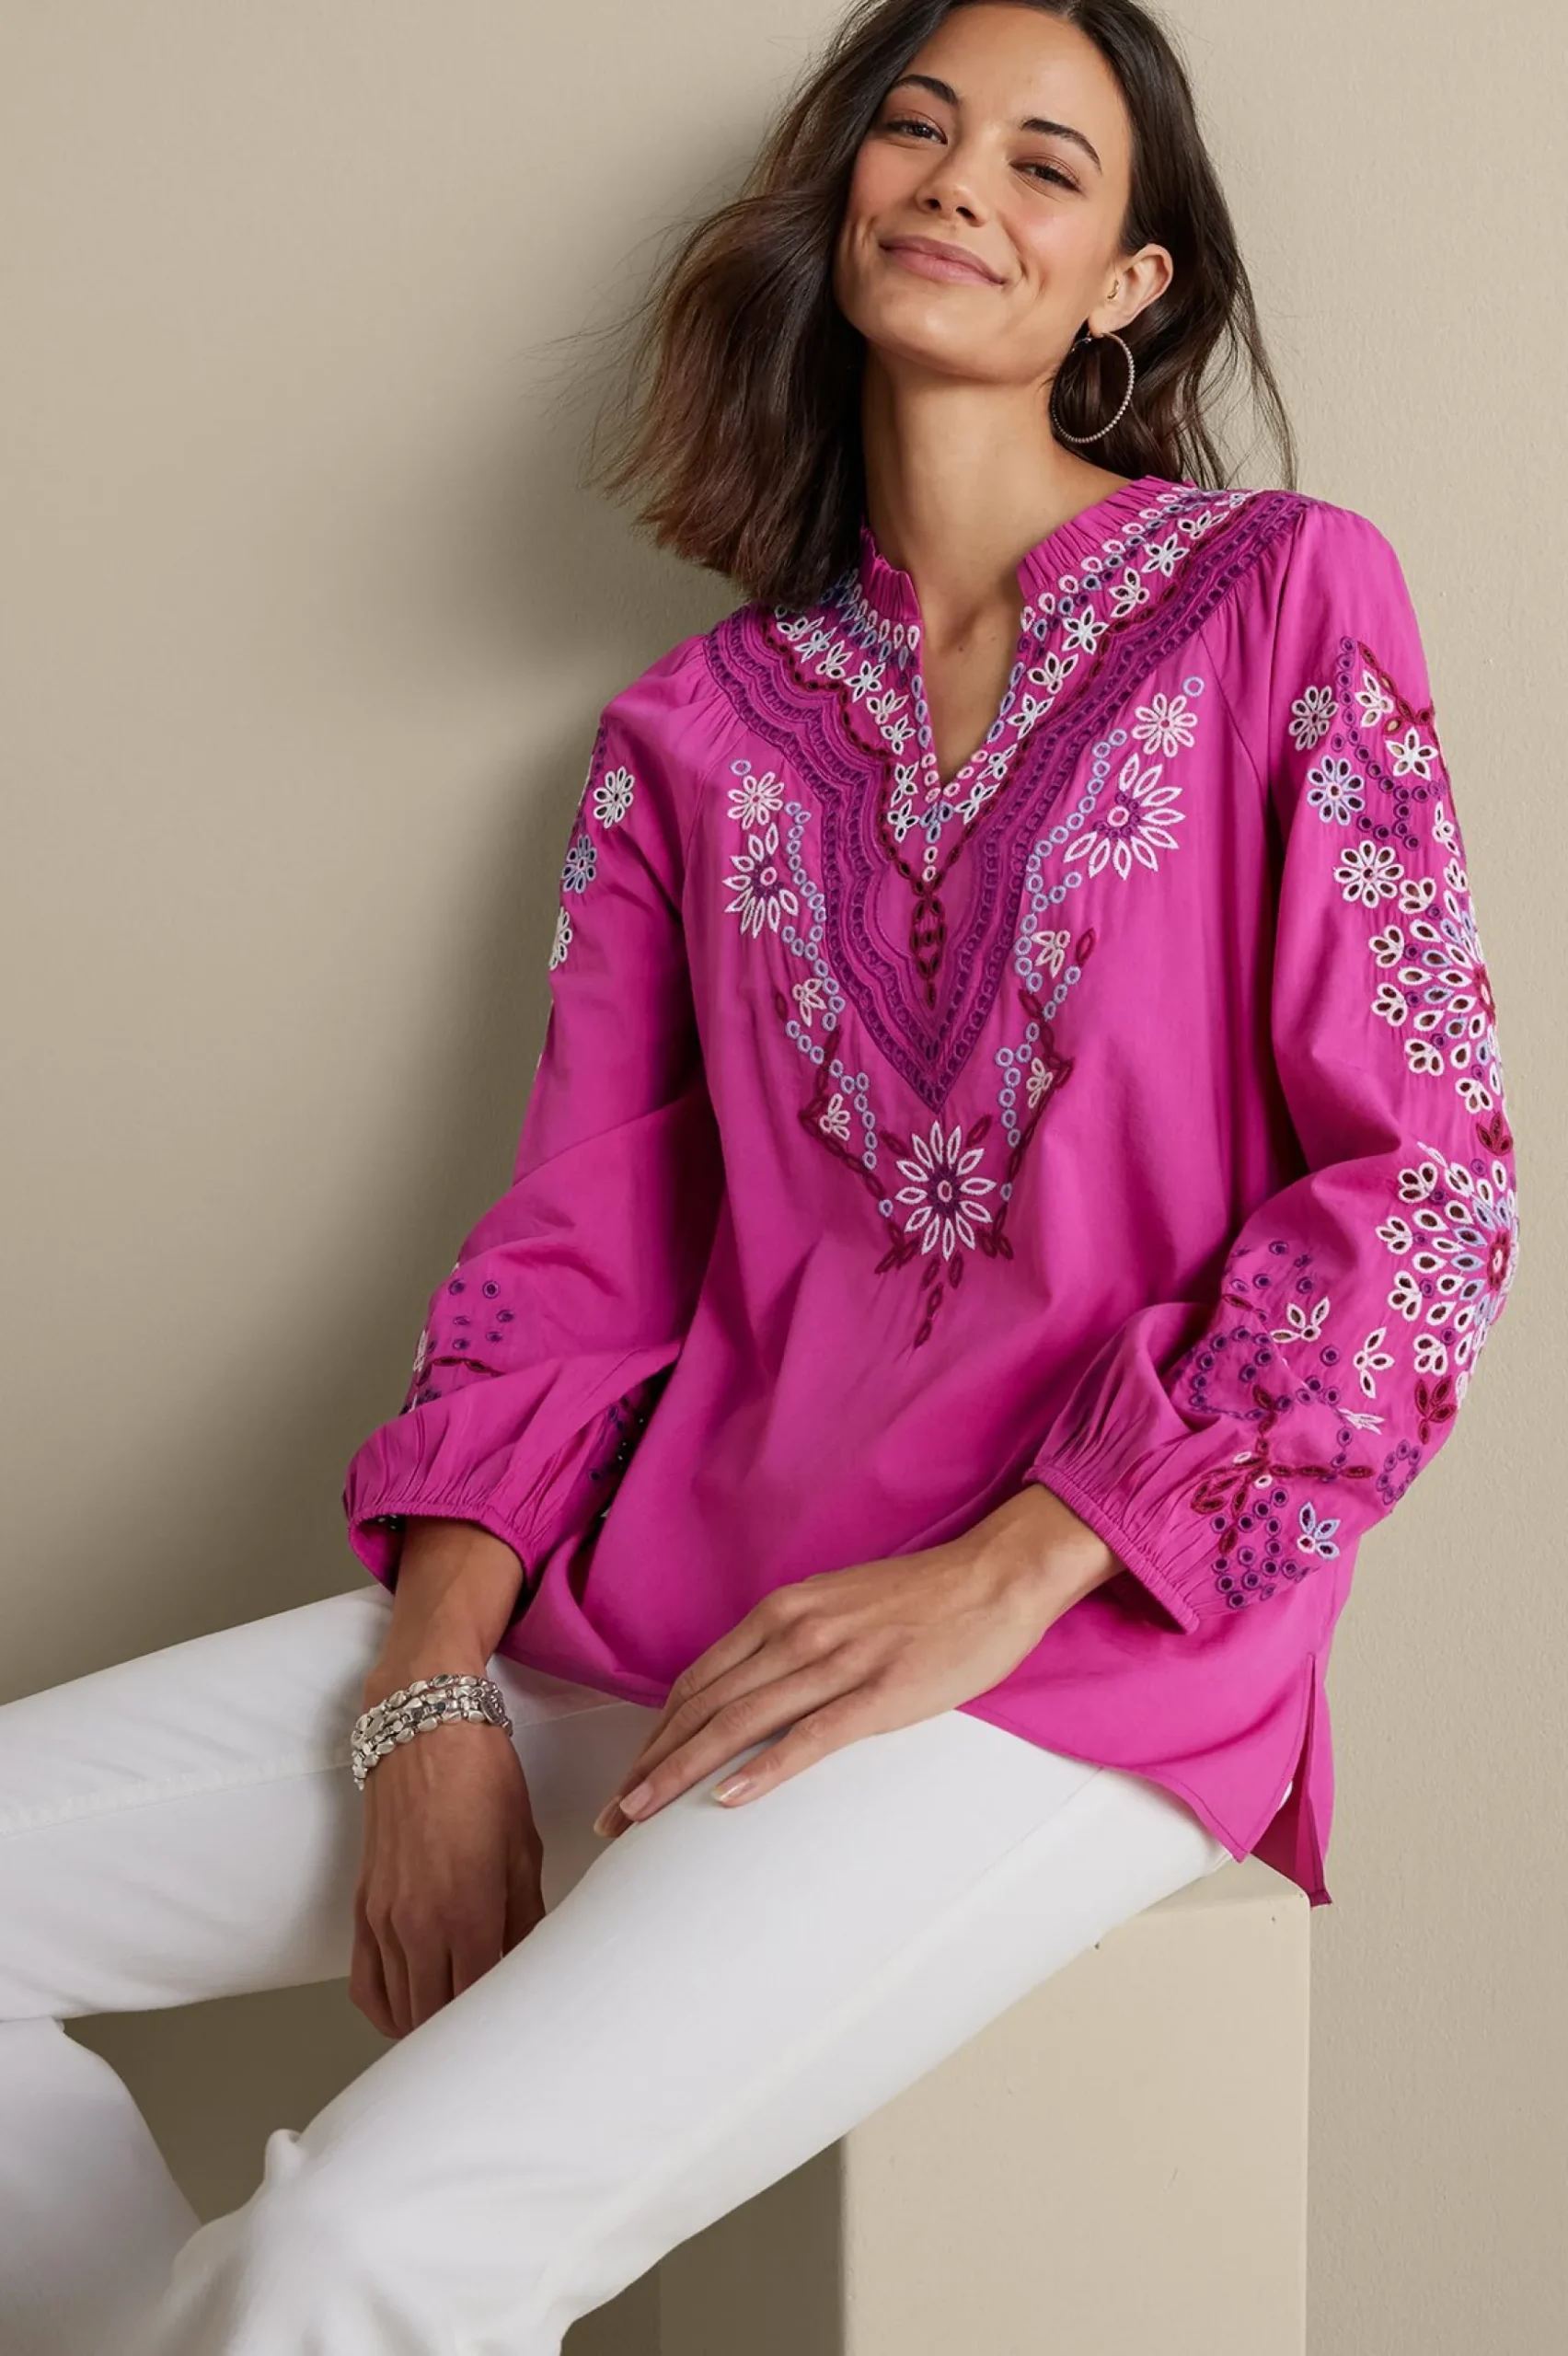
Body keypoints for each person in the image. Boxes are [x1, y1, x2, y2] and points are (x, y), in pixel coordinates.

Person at [0, 3, 1520, 2350]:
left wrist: (1017, 1565)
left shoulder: (1285, 598)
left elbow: (1422, 1186)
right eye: (918, 128)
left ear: (1129, 283)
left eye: (1045, 163)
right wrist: (431, 1687)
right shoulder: (692, 735)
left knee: (350, 2247)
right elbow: (573, 1249)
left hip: (1066, 1651)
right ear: (845, 199)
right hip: (645, 1605)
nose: (962, 181)